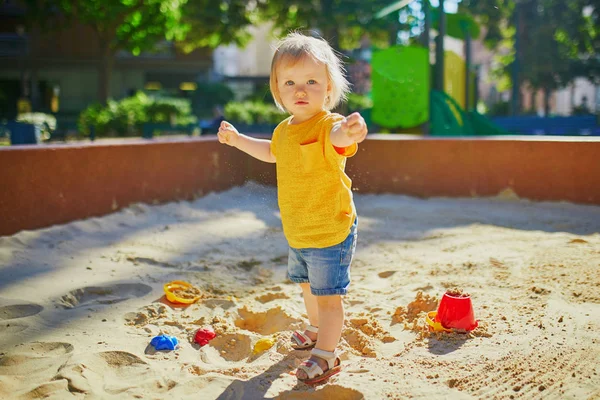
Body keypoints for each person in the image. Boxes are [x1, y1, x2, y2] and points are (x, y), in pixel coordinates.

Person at [217, 32, 367, 385]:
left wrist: (352, 130)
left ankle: (327, 356)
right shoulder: (284, 131)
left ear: (328, 88)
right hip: (298, 231)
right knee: (307, 287)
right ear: (278, 90)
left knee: (329, 298)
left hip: (330, 230)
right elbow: (271, 152)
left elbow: (340, 140)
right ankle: (315, 330)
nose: (301, 90)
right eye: (291, 82)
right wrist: (238, 140)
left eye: (312, 81)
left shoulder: (329, 125)